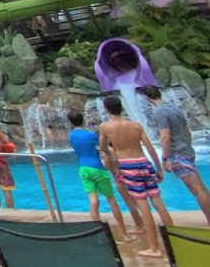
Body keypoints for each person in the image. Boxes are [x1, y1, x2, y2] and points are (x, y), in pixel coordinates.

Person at [98, 95, 174, 257]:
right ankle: (176, 240)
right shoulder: (136, 125)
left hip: (128, 165)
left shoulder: (105, 127)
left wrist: (110, 153)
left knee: (143, 206)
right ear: (122, 107)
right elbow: (150, 148)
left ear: (106, 109)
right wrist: (158, 167)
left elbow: (103, 146)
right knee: (158, 202)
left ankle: (154, 248)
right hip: (144, 162)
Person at [142, 85, 210, 225]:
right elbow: (187, 131)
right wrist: (188, 147)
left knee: (196, 190)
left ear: (147, 98)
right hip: (186, 151)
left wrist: (165, 158)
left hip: (178, 154)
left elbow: (165, 137)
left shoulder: (159, 113)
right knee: (201, 187)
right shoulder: (175, 108)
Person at [67, 110, 134, 242]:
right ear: (83, 120)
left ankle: (98, 234)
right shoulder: (91, 135)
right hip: (97, 168)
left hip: (83, 169)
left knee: (93, 201)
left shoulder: (71, 136)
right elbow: (104, 148)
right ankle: (124, 234)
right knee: (111, 200)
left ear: (71, 122)